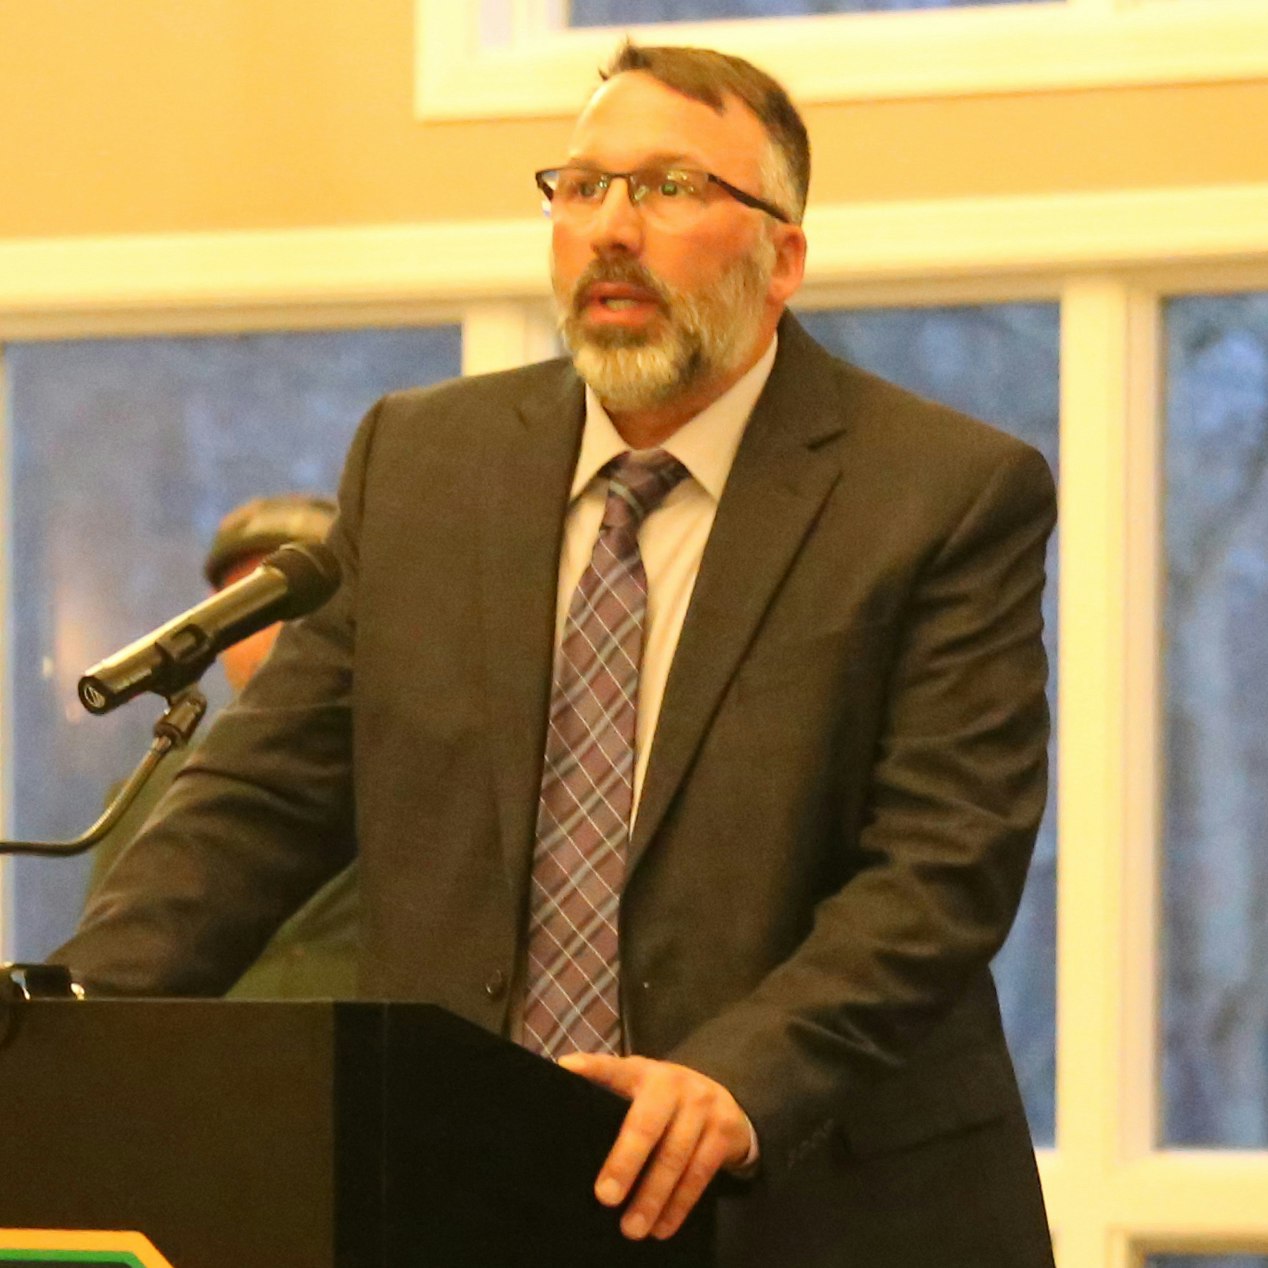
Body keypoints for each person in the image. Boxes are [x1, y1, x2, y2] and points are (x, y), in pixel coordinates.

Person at [59, 43, 1057, 1267]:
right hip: (466, 1193)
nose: (611, 229)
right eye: (580, 187)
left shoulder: (939, 494)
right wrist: (67, 1020)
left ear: (781, 255)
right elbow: (261, 801)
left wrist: (733, 1080)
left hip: (812, 1201)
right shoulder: (427, 460)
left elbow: (941, 867)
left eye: (670, 189)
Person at [86, 493, 359, 1000]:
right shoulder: (140, 801)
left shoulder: (403, 775)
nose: (265, 637)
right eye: (246, 608)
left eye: (291, 606)